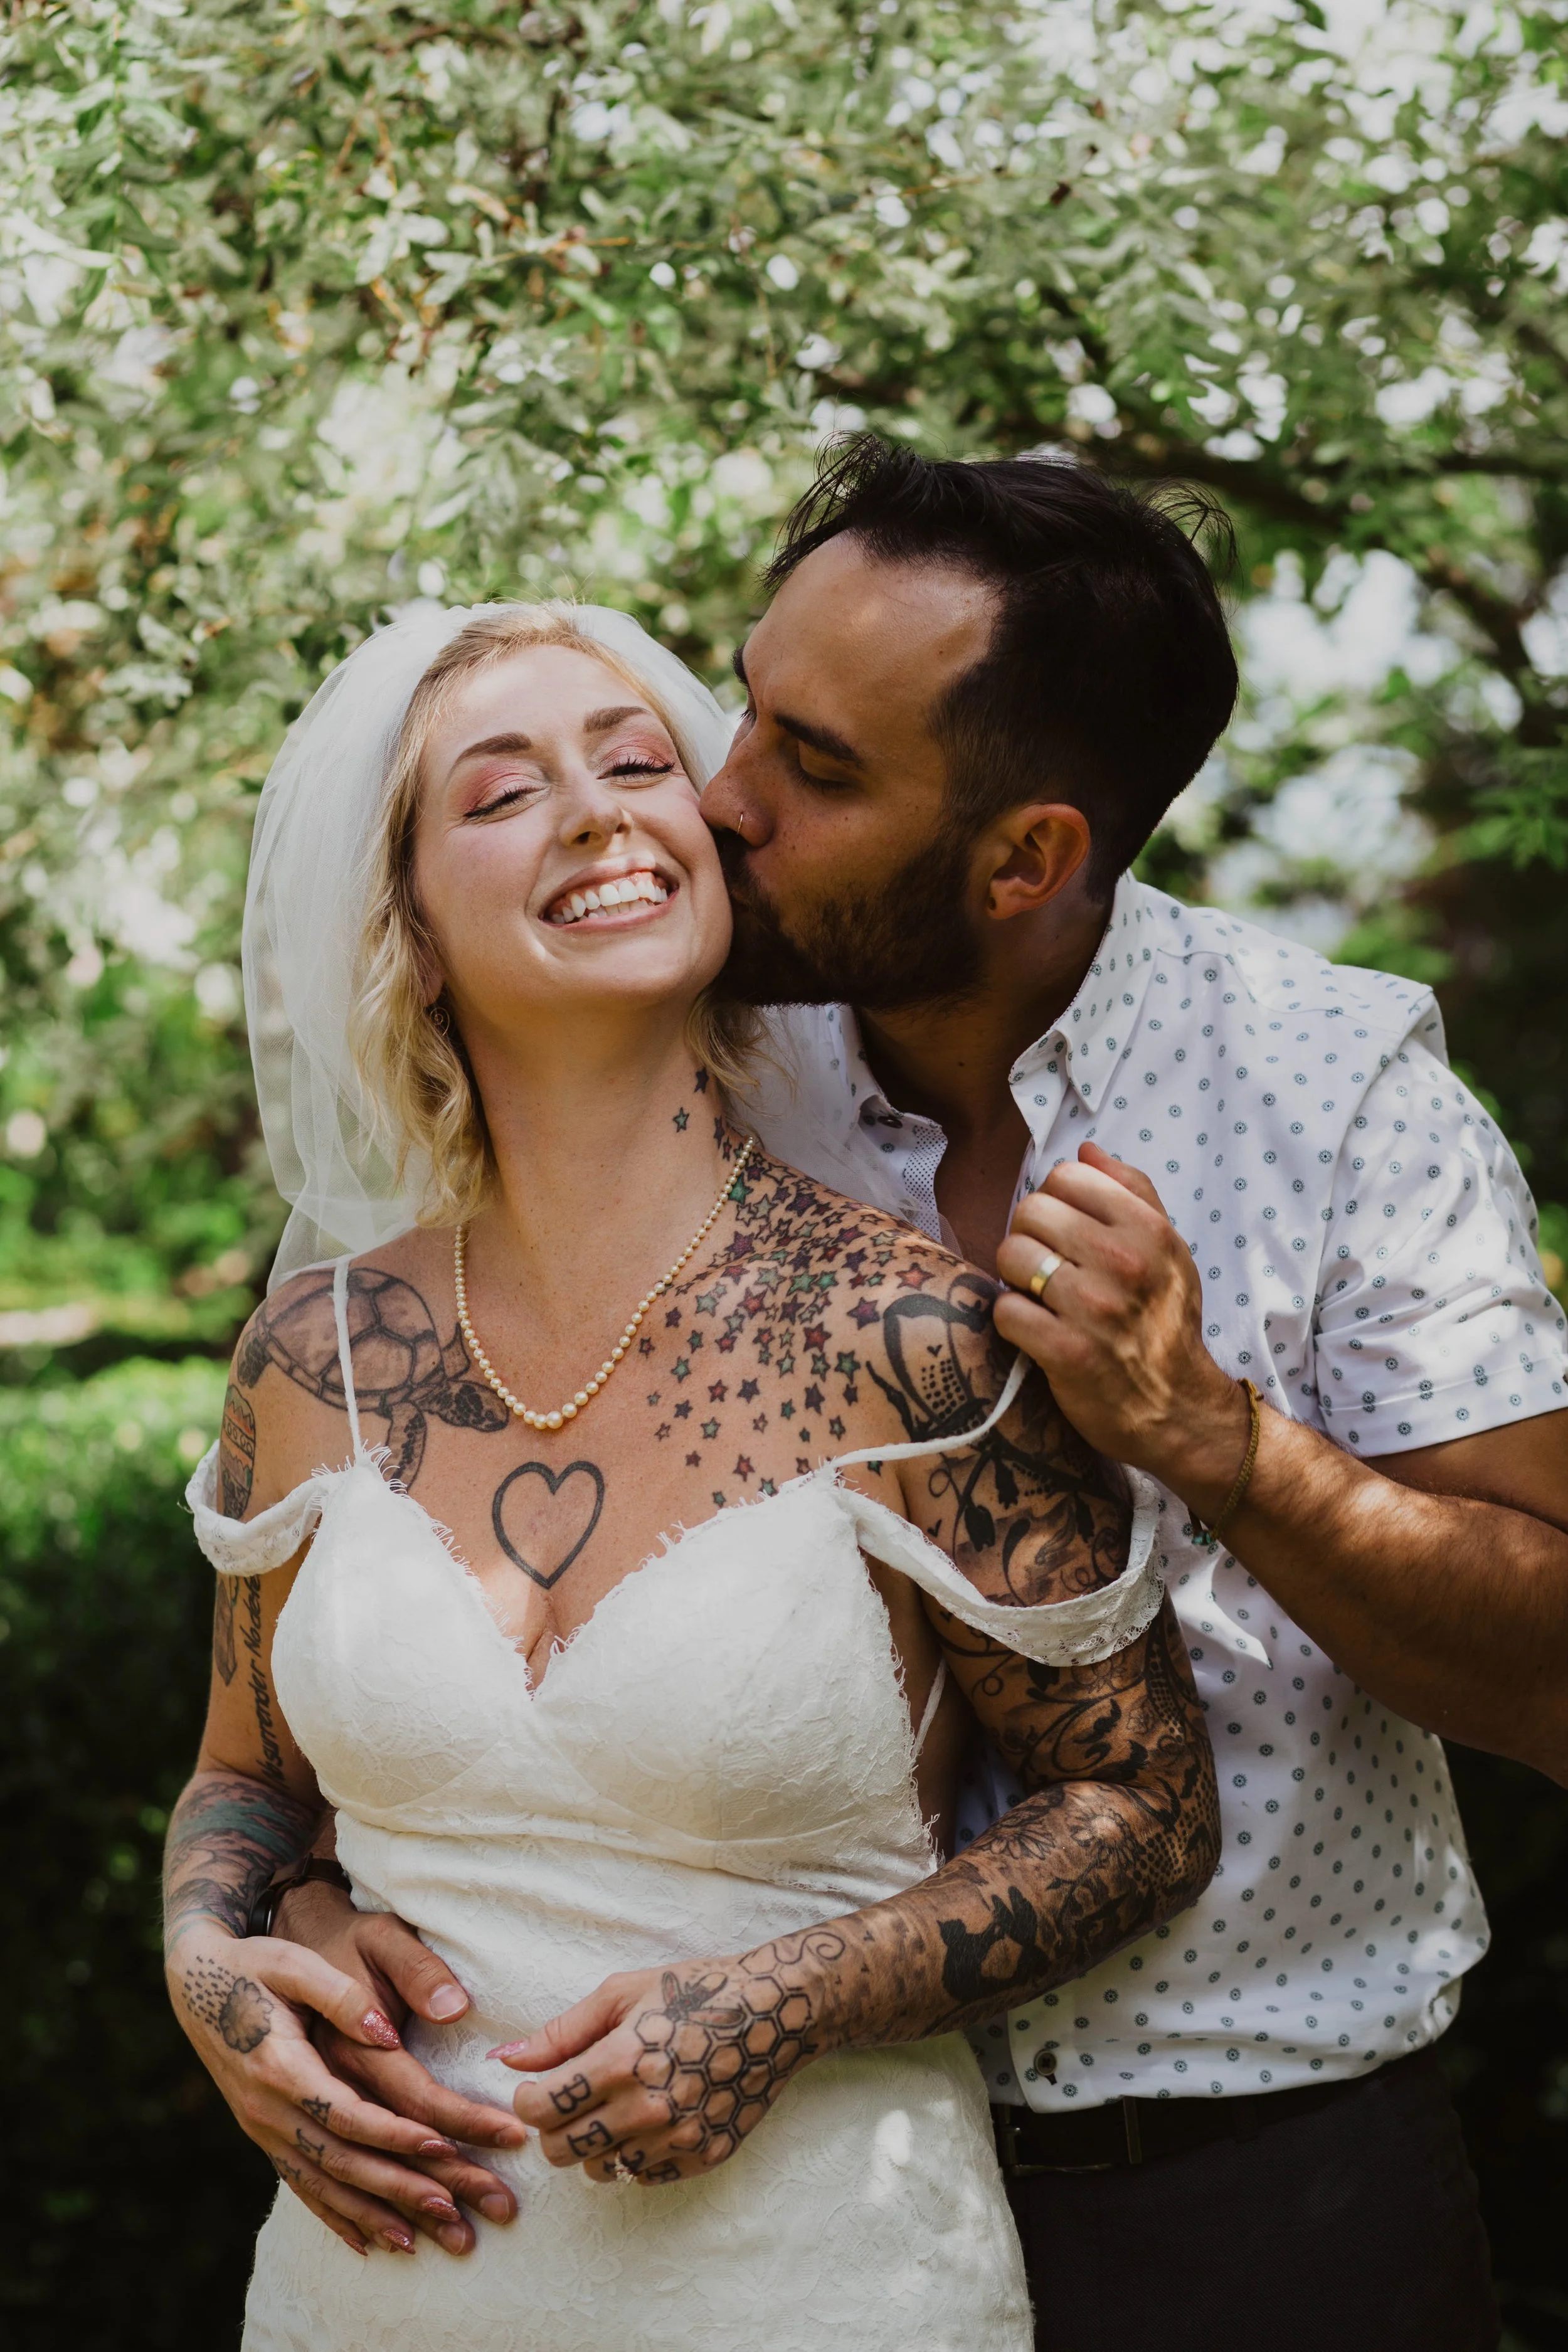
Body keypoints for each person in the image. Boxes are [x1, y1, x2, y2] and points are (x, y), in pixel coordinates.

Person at [271, 442, 1568, 2351]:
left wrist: (1219, 1441)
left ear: (1025, 854)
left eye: (815, 767)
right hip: (762, 2205)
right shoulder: (690, 1042)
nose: (718, 798)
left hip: (1241, 2187)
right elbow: (409, 1567)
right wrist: (284, 1917)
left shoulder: (1335, 1091)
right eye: (747, 708)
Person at [162, 598, 1219, 2350]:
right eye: (501, 795)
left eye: (637, 762)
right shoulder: (313, 1358)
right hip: (368, 2296)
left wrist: (790, 2000)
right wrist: (213, 1966)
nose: (594, 810)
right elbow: (245, 1785)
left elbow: (1140, 1808)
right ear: (406, 929)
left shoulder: (917, 1342)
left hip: (823, 2283)